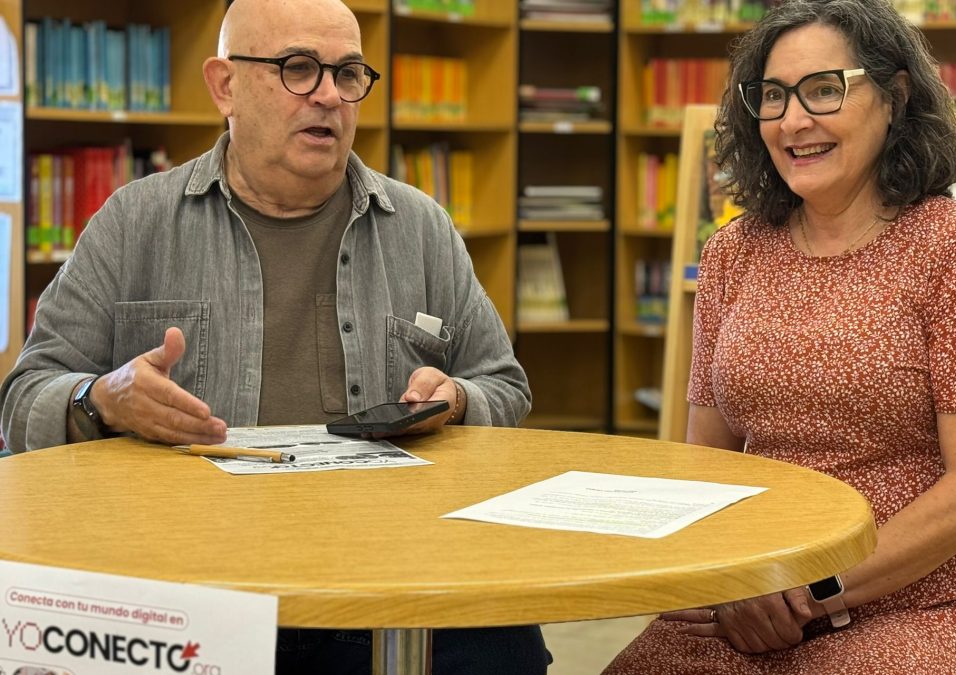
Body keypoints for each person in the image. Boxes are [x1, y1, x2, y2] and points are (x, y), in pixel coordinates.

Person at [0, 0, 550, 673]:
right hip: (191, 592)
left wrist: (457, 397)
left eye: (348, 74)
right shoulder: (133, 222)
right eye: (298, 68)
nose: (329, 95)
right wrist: (99, 396)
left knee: (508, 649)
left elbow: (504, 384)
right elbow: (24, 396)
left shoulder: (420, 227)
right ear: (224, 84)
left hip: (391, 581)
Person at [604, 0, 956, 673]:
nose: (793, 120)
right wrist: (737, 580)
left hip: (910, 606)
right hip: (740, 598)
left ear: (894, 96)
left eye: (824, 89)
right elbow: (705, 464)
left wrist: (807, 593)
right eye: (772, 97)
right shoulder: (732, 253)